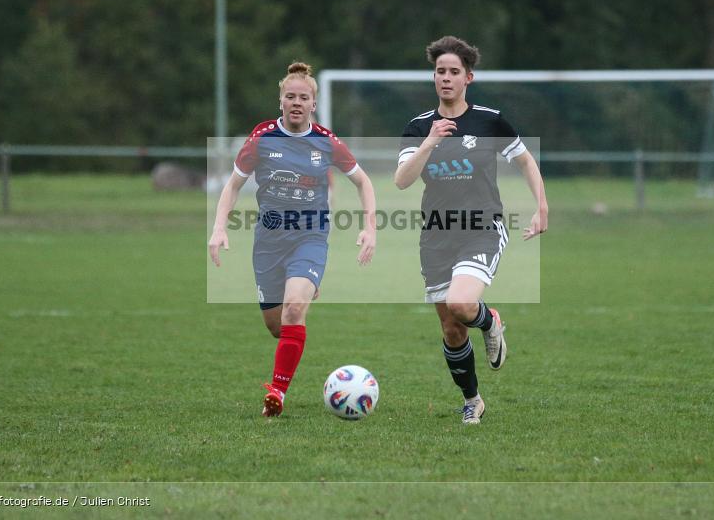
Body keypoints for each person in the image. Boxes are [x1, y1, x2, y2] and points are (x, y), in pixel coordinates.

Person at [209, 62, 376, 417]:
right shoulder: (262, 138)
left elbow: (363, 181)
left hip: (310, 236)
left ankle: (277, 393)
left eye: (304, 97)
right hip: (268, 241)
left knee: (294, 310)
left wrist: (369, 228)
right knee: (277, 326)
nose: (296, 102)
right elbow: (233, 185)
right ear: (280, 101)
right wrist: (219, 228)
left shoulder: (327, 142)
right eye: (290, 96)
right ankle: (303, 290)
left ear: (313, 104)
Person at [394, 36, 548, 425]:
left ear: (468, 78)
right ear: (434, 77)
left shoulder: (489, 120)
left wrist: (541, 206)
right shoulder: (417, 128)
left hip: (482, 228)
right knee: (451, 328)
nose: (446, 78)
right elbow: (401, 180)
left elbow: (526, 162)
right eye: (440, 72)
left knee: (463, 307)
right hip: (436, 235)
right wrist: (430, 141)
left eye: (454, 72)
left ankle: (489, 320)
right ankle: (473, 400)